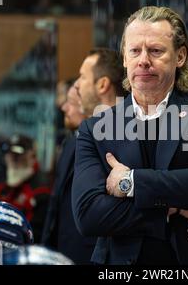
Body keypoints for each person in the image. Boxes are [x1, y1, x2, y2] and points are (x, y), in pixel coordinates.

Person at [72, 6, 188, 265]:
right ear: (124, 58)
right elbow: (89, 216)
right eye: (135, 51)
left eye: (155, 50)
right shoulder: (95, 128)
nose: (144, 60)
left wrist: (130, 182)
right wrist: (173, 206)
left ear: (179, 56)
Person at [42, 48, 125, 264]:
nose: (77, 84)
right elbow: (57, 210)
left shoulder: (134, 137)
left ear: (102, 84)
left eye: (83, 76)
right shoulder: (73, 141)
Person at [0, 134, 50, 243]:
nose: (12, 159)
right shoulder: (3, 186)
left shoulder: (40, 190)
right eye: (9, 154)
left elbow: (36, 232)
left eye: (18, 155)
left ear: (32, 156)